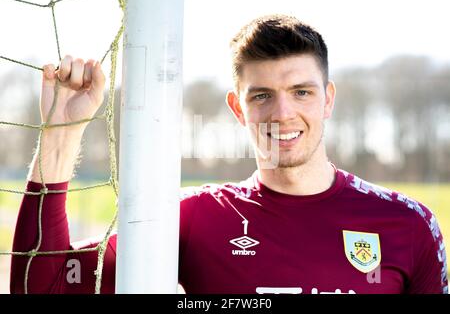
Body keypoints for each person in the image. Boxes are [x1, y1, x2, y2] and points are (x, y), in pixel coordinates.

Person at [10, 15, 448, 294]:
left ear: (328, 99)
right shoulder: (195, 218)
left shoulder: (409, 225)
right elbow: (42, 284)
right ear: (238, 108)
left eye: (301, 91)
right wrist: (61, 134)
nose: (283, 113)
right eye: (261, 95)